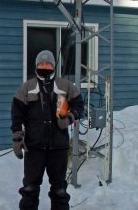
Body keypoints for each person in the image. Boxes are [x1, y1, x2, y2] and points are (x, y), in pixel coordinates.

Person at [11, 50, 85, 210]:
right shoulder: (26, 88)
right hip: (34, 147)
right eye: (41, 64)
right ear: (36, 65)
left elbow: (80, 105)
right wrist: (17, 138)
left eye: (48, 63)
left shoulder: (65, 86)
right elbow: (17, 115)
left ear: (53, 66)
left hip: (58, 147)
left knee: (59, 190)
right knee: (30, 189)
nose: (44, 66)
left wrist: (71, 117)